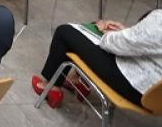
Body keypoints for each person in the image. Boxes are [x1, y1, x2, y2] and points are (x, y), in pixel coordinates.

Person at [32, 10, 162, 108]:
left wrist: (109, 34)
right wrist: (127, 31)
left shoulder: (159, 18)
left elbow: (115, 45)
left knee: (66, 32)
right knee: (90, 34)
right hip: (156, 99)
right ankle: (76, 80)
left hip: (135, 87)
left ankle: (51, 88)